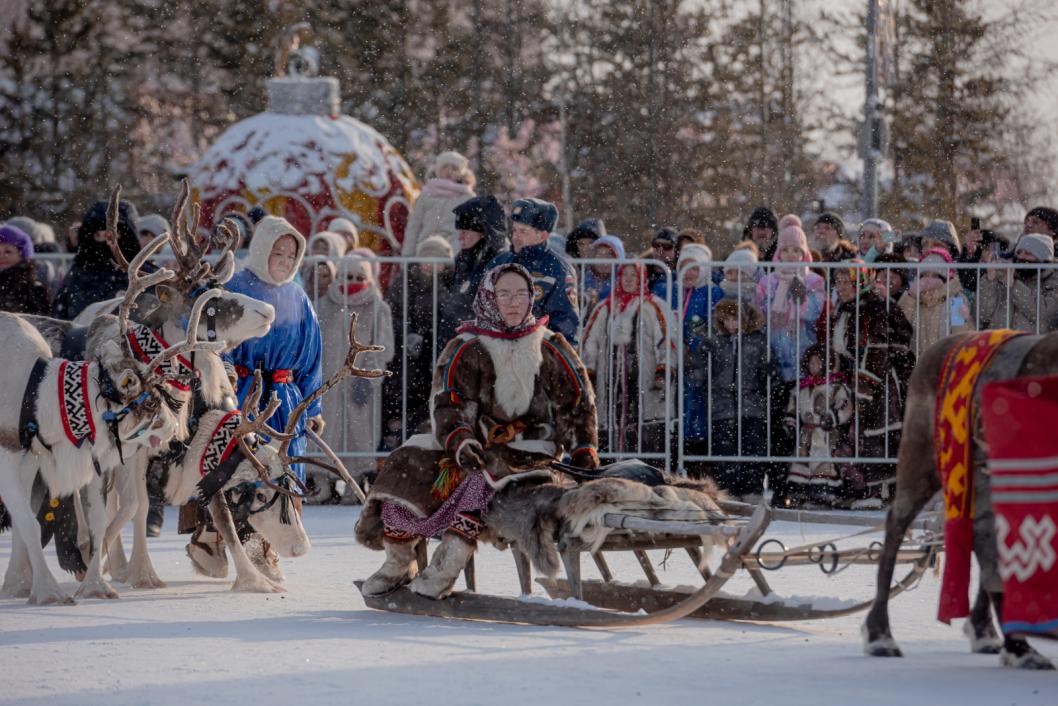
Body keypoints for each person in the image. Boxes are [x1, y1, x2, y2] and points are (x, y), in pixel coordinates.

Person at [356, 263, 599, 599]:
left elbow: (578, 404)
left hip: (532, 451)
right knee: (405, 463)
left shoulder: (550, 346)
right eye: (504, 295)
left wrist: (583, 448)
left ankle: (446, 565)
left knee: (483, 477)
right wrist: (460, 438)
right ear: (489, 298)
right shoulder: (467, 346)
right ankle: (398, 561)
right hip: (471, 446)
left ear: (532, 297)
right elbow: (447, 402)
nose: (513, 302)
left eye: (521, 294)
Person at [224, 215, 324, 486]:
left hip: (286, 403)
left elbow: (311, 359)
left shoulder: (298, 298)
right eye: (278, 253)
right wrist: (225, 387)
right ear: (261, 250)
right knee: (244, 470)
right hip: (243, 397)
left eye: (292, 255)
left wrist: (312, 408)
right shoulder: (234, 289)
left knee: (285, 471)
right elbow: (219, 345)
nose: (285, 261)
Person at [825, 263, 915, 507]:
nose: (842, 287)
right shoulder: (845, 309)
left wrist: (865, 384)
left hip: (881, 381)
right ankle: (864, 486)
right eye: (839, 282)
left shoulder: (873, 307)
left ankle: (881, 489)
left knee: (878, 432)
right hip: (857, 377)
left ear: (860, 282)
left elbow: (879, 348)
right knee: (858, 433)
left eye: (847, 282)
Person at [307, 254, 394, 504]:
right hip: (328, 382)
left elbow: (384, 345)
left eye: (359, 277)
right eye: (347, 276)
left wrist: (368, 377)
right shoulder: (323, 305)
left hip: (360, 383)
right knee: (327, 430)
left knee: (360, 433)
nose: (353, 282)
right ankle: (323, 479)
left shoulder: (378, 307)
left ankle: (355, 480)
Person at [691, 299, 780, 499]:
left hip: (752, 404)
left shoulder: (758, 340)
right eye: (727, 320)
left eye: (735, 320)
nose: (731, 325)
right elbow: (701, 372)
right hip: (722, 405)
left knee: (753, 448)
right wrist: (703, 362)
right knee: (724, 449)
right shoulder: (715, 341)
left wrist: (767, 378)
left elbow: (770, 371)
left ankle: (752, 489)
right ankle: (728, 490)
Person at [581, 263, 672, 454]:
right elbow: (590, 341)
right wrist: (589, 371)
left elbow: (668, 340)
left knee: (643, 425)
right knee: (610, 422)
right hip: (610, 381)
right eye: (625, 275)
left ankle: (642, 468)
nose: (629, 279)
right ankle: (611, 465)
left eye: (634, 275)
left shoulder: (654, 306)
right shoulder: (604, 307)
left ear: (642, 279)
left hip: (644, 380)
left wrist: (664, 368)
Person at [383, 234, 454, 439]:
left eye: (435, 259)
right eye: (425, 257)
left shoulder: (450, 284)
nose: (428, 264)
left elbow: (449, 316)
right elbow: (392, 314)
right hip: (405, 355)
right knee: (402, 394)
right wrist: (406, 335)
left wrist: (432, 339)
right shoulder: (403, 282)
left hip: (436, 353)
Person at [487, 197, 580, 345]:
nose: (515, 237)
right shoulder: (499, 262)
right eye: (514, 230)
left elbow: (565, 323)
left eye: (523, 231)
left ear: (542, 235)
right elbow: (483, 308)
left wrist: (553, 357)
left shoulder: (559, 269)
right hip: (497, 350)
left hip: (535, 354)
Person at [783, 344, 853, 506]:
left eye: (818, 363)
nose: (814, 367)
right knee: (801, 463)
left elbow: (845, 406)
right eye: (811, 363)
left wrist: (832, 418)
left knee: (824, 464)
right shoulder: (802, 388)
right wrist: (791, 424)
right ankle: (799, 494)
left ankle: (824, 494)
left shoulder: (836, 386)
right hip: (806, 435)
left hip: (826, 434)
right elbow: (792, 409)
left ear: (826, 364)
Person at [52, 197, 142, 320]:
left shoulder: (143, 273)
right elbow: (60, 316)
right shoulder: (79, 271)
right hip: (82, 336)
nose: (106, 242)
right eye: (99, 235)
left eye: (112, 236)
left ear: (126, 236)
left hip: (125, 336)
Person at [441, 195, 507, 343]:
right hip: (455, 339)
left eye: (465, 232)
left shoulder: (498, 263)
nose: (460, 238)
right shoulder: (463, 258)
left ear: (483, 234)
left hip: (478, 345)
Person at [976, 232, 1058, 333]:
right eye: (1019, 252)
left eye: (1028, 253)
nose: (1021, 257)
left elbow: (1045, 315)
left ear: (1042, 259)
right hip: (1000, 342)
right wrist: (990, 280)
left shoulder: (1053, 280)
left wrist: (1014, 285)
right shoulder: (1003, 274)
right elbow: (983, 315)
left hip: (1033, 345)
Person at [898, 248, 972, 355]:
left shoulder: (955, 299)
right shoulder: (912, 296)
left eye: (935, 276)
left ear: (944, 278)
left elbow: (961, 338)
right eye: (925, 275)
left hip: (944, 362)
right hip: (916, 364)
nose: (928, 280)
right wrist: (911, 296)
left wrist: (963, 319)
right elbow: (900, 327)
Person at [403, 151, 477, 256]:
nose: (449, 171)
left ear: (461, 173)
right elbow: (414, 226)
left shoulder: (467, 198)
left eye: (454, 168)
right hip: (424, 250)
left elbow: (472, 230)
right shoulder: (426, 195)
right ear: (438, 170)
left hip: (454, 252)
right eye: (445, 167)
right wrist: (407, 256)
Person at [0, 224, 50, 315]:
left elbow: (40, 322)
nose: (2, 256)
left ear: (22, 253)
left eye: (8, 251)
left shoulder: (34, 289)